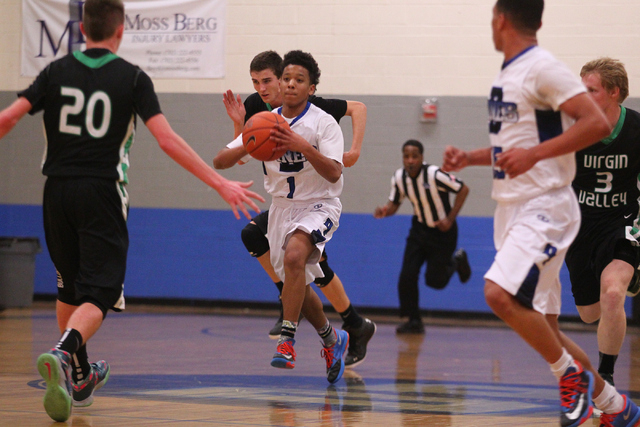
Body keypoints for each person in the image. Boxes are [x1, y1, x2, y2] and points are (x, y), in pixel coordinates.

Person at [0, 0, 263, 422]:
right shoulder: (133, 78)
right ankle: (63, 353)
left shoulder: (55, 72)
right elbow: (167, 140)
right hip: (101, 192)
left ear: (81, 29)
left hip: (56, 193)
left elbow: (8, 120)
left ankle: (82, 376)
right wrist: (220, 183)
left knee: (69, 288)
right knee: (101, 293)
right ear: (121, 31)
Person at [442, 1, 640, 426]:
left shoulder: (542, 68)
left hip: (545, 205)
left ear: (500, 20)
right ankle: (617, 407)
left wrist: (533, 155)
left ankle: (571, 376)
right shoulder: (509, 76)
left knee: (499, 294)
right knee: (548, 328)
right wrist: (471, 157)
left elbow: (596, 124)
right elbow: (513, 148)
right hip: (512, 208)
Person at [214, 50, 375, 368]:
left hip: (319, 204)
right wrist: (242, 131)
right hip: (281, 208)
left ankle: (288, 337)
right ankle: (334, 336)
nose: (266, 87)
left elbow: (333, 171)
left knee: (295, 258)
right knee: (297, 276)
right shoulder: (259, 116)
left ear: (309, 87)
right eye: (258, 82)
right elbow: (223, 160)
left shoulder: (322, 118)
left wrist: (336, 149)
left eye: (272, 80)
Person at [566, 57, 640, 387]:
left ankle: (606, 377)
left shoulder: (637, 129)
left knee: (613, 294)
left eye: (590, 90)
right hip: (581, 226)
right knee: (590, 313)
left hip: (622, 221)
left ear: (614, 92)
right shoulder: (574, 131)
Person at [373, 139, 471, 334]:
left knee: (435, 281)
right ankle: (414, 321)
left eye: (414, 156)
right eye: (406, 156)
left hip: (443, 233)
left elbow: (463, 189)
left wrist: (450, 219)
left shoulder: (435, 174)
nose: (410, 160)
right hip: (419, 231)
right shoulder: (400, 177)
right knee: (407, 276)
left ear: (421, 157)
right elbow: (394, 203)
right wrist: (385, 211)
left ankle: (457, 259)